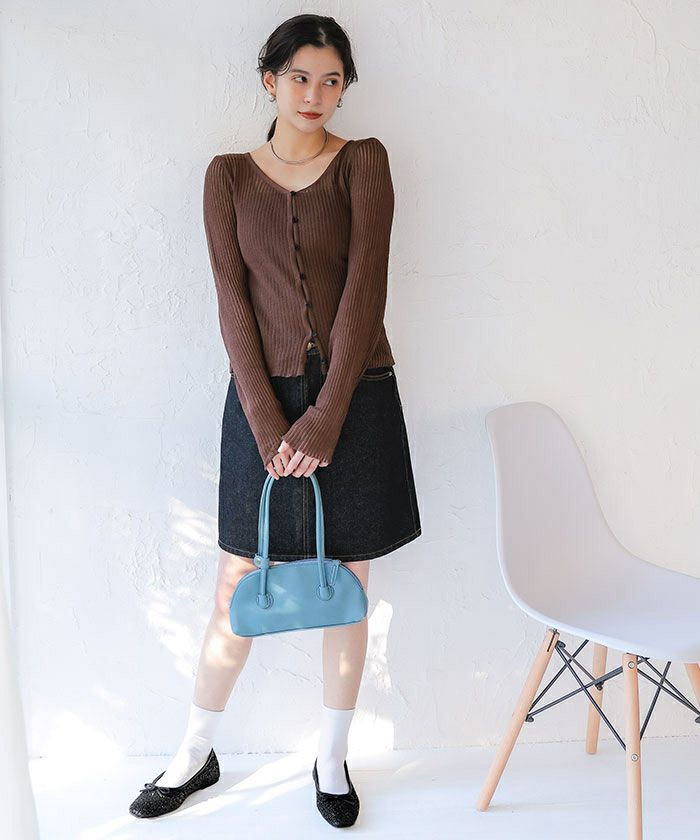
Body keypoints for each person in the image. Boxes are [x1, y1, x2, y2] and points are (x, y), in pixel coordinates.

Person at [128, 12, 421, 829]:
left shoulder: (364, 162)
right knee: (237, 578)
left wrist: (325, 419)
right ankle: (195, 751)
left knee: (348, 580)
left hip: (355, 396)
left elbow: (366, 291)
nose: (314, 94)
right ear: (270, 80)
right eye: (300, 77)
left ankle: (331, 758)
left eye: (331, 80)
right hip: (260, 397)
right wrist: (268, 424)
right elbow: (232, 304)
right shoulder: (226, 177)